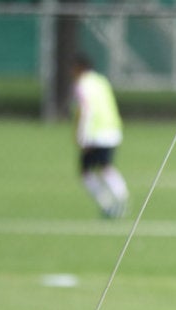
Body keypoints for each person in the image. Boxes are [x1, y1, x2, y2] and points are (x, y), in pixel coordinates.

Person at [71, 54, 129, 219]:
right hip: (112, 130)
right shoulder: (101, 81)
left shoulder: (82, 84)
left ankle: (109, 203)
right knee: (105, 168)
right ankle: (119, 198)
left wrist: (81, 134)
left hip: (95, 134)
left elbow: (86, 110)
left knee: (86, 172)